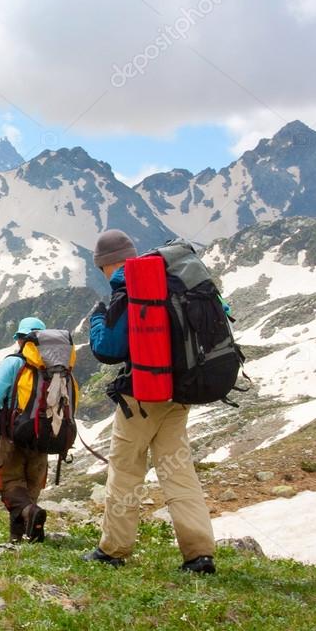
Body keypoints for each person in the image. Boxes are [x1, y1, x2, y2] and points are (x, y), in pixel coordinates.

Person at [84, 229, 216, 574]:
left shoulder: (131, 287)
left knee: (126, 469)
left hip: (142, 396)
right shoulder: (172, 279)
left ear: (104, 266)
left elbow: (109, 349)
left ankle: (113, 549)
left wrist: (97, 319)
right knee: (178, 470)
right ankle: (199, 554)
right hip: (180, 391)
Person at [0, 317, 49, 543]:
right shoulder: (55, 365)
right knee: (32, 482)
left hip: (14, 433)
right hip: (44, 434)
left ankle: (28, 515)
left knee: (9, 482)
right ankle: (23, 534)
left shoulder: (13, 363)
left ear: (20, 339)